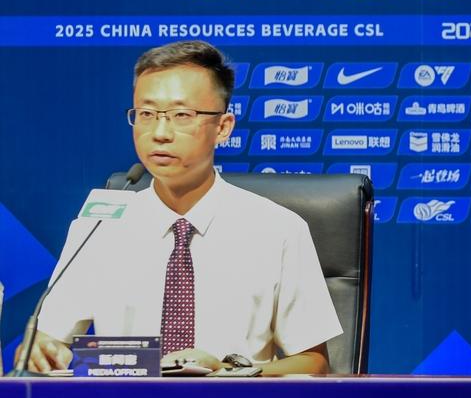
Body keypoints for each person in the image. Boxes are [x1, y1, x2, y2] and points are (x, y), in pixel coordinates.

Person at [18, 41, 342, 375]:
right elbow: (44, 341)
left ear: (223, 127)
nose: (159, 133)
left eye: (181, 115)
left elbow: (314, 363)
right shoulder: (97, 228)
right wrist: (41, 350)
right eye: (146, 114)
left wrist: (225, 373)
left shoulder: (277, 229)